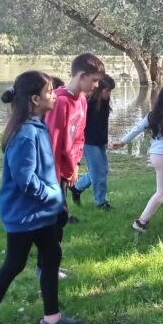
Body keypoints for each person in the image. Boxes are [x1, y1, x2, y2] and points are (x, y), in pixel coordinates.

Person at [0, 71, 83, 324]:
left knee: (52, 256)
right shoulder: (24, 134)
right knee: (14, 264)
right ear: (35, 99)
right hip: (23, 214)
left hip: (41, 212)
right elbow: (25, 180)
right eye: (49, 91)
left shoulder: (38, 126)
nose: (54, 95)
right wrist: (52, 197)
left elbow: (44, 170)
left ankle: (52, 319)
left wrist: (57, 203)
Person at [111, 83, 163, 231]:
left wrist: (123, 142)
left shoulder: (153, 115)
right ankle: (141, 222)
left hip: (158, 156)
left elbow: (137, 128)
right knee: (162, 191)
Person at [46, 53, 105, 222]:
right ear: (82, 76)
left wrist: (75, 166)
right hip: (53, 170)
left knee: (60, 217)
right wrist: (54, 177)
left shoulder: (82, 100)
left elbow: (79, 136)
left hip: (68, 167)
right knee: (54, 218)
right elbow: (52, 143)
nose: (97, 85)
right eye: (94, 80)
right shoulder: (60, 102)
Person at [70, 74, 116, 211]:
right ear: (99, 89)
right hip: (89, 142)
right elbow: (77, 124)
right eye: (107, 90)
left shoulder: (104, 103)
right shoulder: (87, 103)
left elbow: (103, 125)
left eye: (110, 91)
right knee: (99, 173)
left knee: (103, 170)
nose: (109, 94)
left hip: (99, 142)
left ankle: (77, 187)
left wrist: (105, 141)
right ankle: (101, 202)